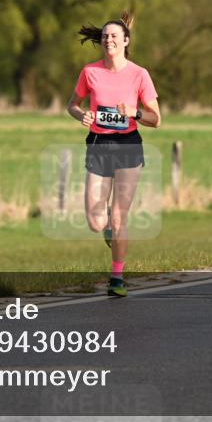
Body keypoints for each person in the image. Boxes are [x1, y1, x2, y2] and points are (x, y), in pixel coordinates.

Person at [67, 15, 161, 297]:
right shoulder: (90, 72)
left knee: (121, 216)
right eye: (105, 36)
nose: (109, 40)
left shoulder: (139, 74)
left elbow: (157, 119)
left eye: (114, 36)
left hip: (129, 145)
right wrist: (81, 115)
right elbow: (72, 104)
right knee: (97, 221)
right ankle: (107, 225)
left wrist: (134, 113)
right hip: (98, 144)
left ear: (125, 41)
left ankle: (117, 276)